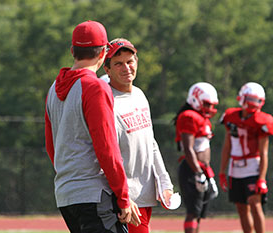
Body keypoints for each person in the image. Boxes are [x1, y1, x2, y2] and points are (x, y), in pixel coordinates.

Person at [44, 21, 140, 233]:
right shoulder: (94, 86)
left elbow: (52, 146)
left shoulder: (53, 88)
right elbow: (107, 147)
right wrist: (123, 196)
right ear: (104, 52)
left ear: (72, 51)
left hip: (66, 193)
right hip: (94, 194)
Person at [103, 38, 175, 233]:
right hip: (124, 200)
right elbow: (105, 153)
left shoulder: (140, 95)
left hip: (144, 195)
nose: (126, 67)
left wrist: (164, 181)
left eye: (130, 61)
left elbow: (150, 143)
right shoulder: (105, 100)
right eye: (118, 64)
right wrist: (122, 196)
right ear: (107, 70)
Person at [218, 82, 273, 233]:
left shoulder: (263, 120)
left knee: (255, 203)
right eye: (250, 99)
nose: (252, 104)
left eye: (255, 100)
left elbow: (264, 152)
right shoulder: (231, 116)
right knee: (241, 207)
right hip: (235, 166)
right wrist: (222, 171)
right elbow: (227, 146)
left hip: (252, 165)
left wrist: (262, 178)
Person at [173, 82, 219, 233]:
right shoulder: (189, 116)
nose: (210, 109)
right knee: (193, 212)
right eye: (206, 104)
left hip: (201, 169)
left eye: (212, 105)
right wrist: (198, 172)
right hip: (192, 169)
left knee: (198, 213)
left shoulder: (201, 118)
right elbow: (188, 148)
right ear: (195, 99)